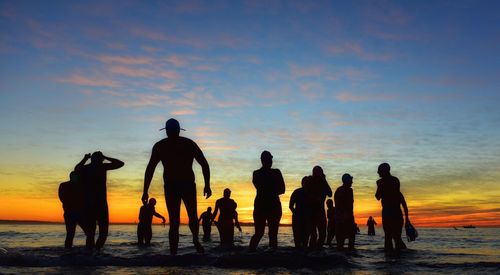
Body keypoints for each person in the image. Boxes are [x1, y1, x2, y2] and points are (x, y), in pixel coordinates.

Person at [142, 118, 211, 255]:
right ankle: (194, 240)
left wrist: (145, 190)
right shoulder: (188, 143)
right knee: (191, 216)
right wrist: (207, 185)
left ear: (167, 131)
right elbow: (204, 164)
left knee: (175, 221)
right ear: (178, 130)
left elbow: (150, 169)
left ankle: (174, 253)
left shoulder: (161, 146)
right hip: (184, 185)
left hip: (174, 186)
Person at [75, 151, 124, 251]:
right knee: (100, 233)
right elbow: (120, 163)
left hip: (91, 204)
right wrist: (105, 157)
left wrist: (85, 159)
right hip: (97, 204)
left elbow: (77, 168)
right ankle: (96, 252)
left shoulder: (93, 167)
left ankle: (92, 254)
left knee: (92, 233)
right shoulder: (101, 167)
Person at [249, 151, 285, 251]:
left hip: (273, 207)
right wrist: (273, 189)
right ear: (262, 160)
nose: (270, 161)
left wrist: (270, 189)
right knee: (260, 233)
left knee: (273, 234)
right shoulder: (257, 173)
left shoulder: (276, 172)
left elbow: (282, 189)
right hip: (262, 207)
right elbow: (262, 187)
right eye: (268, 159)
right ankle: (250, 254)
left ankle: (271, 257)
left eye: (270, 159)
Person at [375, 163, 410, 252]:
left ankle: (389, 261)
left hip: (387, 214)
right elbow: (404, 203)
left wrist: (379, 186)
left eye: (379, 172)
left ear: (383, 172)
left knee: (388, 237)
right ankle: (400, 260)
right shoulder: (396, 183)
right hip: (397, 213)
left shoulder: (381, 183)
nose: (378, 174)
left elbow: (377, 197)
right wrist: (407, 218)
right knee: (397, 238)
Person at [58, 171, 86, 249]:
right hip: (70, 213)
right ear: (72, 177)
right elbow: (62, 198)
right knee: (70, 234)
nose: (78, 178)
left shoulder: (81, 186)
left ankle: (88, 251)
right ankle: (68, 251)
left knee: (89, 233)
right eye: (76, 176)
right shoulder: (64, 185)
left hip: (80, 213)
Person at [308, 166, 332, 248]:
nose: (321, 174)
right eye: (319, 172)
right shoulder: (310, 180)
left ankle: (318, 249)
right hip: (311, 212)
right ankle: (312, 250)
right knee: (313, 235)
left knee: (322, 234)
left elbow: (330, 193)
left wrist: (324, 180)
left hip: (320, 211)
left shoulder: (323, 182)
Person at [334, 173, 356, 250]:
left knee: (345, 241)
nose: (352, 182)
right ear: (347, 181)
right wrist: (344, 217)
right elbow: (341, 205)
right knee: (343, 242)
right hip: (343, 219)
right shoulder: (344, 191)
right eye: (351, 180)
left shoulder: (347, 190)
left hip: (345, 218)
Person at [289, 176, 311, 248]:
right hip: (298, 218)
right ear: (302, 183)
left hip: (307, 218)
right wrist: (296, 213)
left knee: (305, 239)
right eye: (305, 182)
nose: (306, 184)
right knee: (297, 239)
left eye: (308, 182)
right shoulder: (297, 192)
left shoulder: (311, 193)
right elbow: (291, 205)